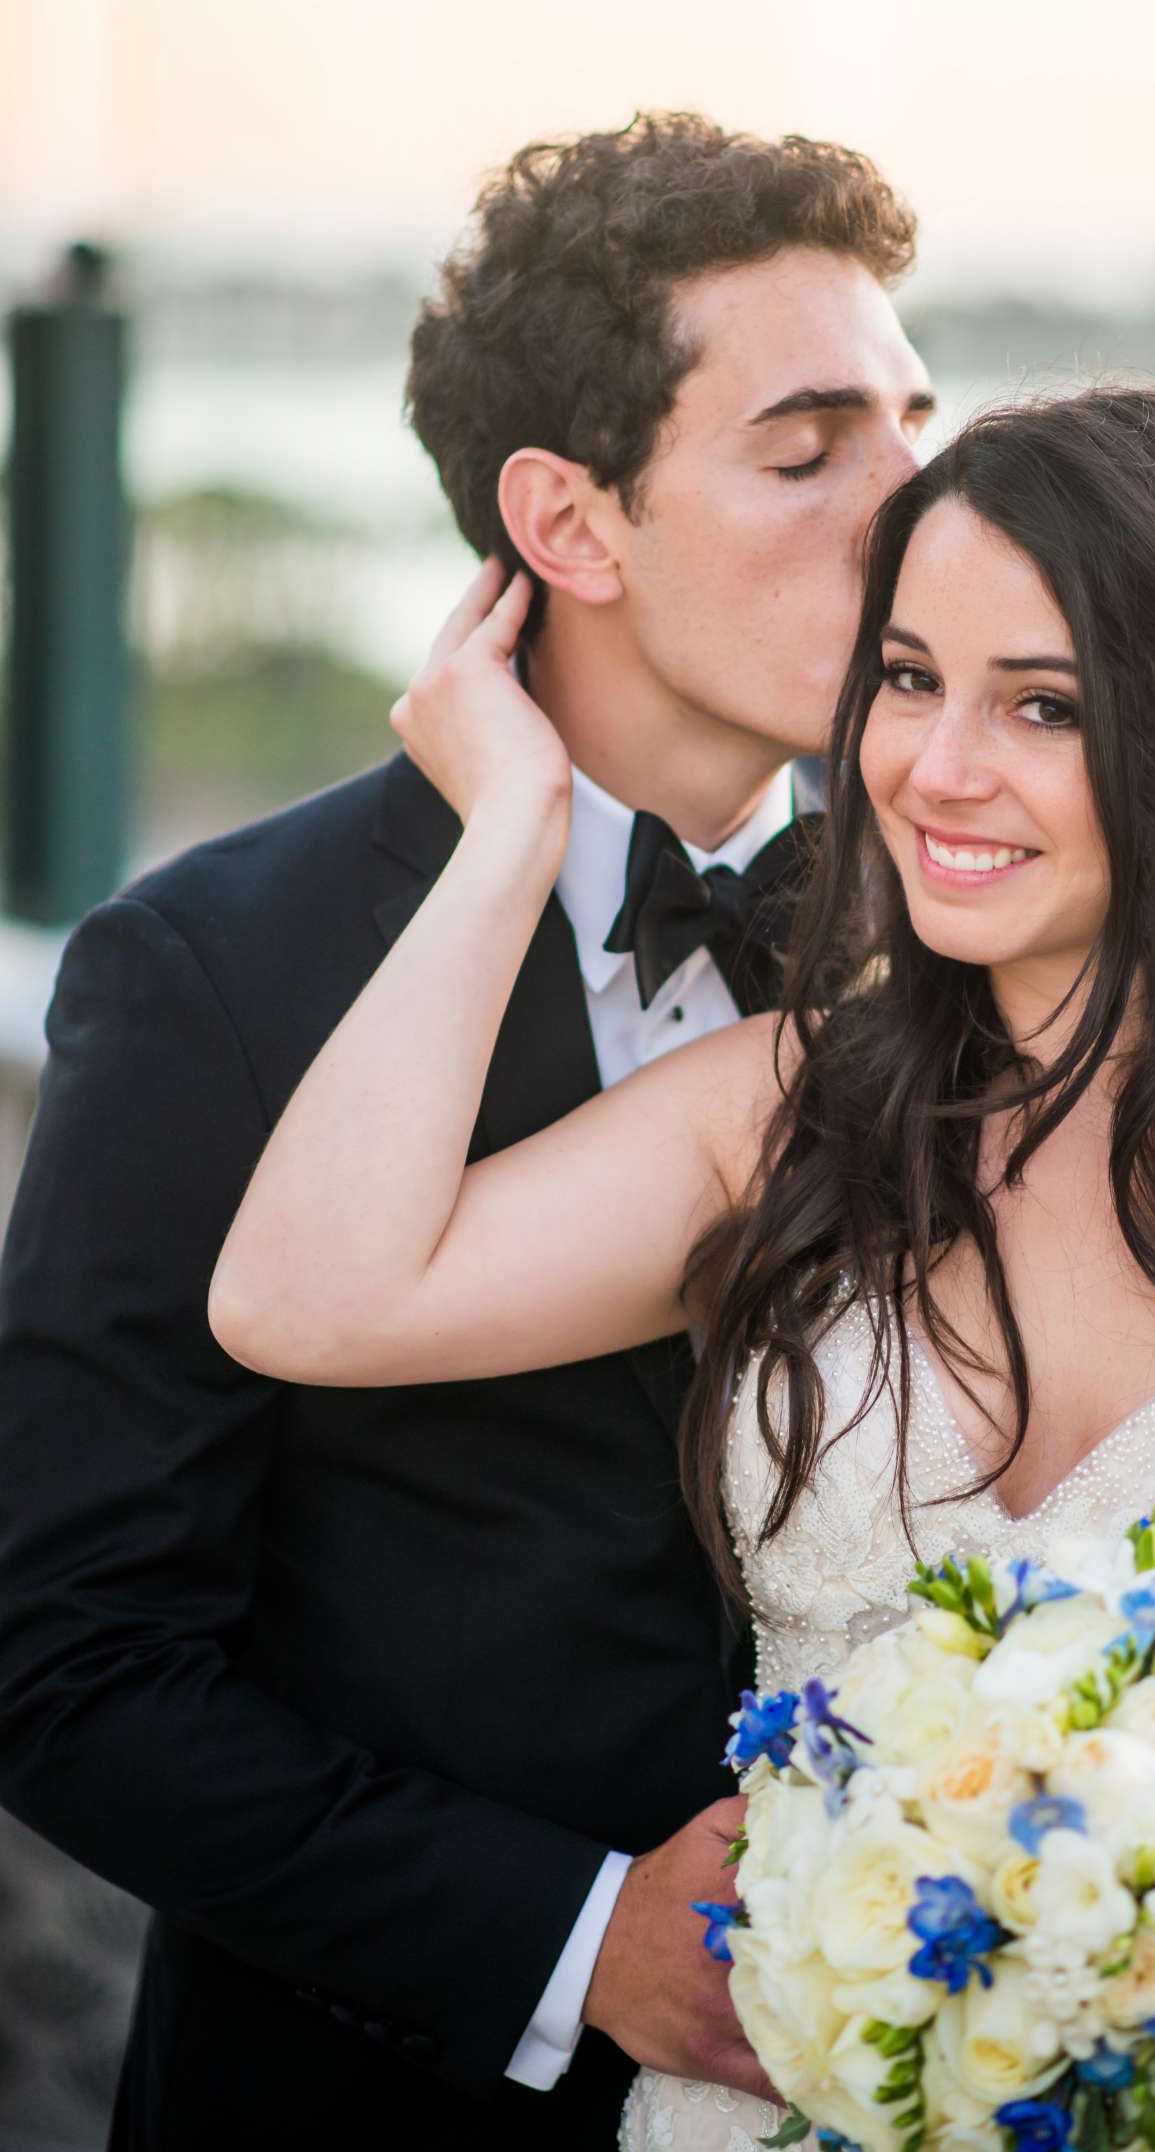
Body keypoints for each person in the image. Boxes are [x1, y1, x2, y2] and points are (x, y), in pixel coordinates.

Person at [210, 385, 1155, 2152]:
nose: (935, 767)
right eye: (909, 676)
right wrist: (508, 832)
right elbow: (306, 1302)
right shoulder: (786, 1117)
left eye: (1043, 706)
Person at [0, 113, 940, 2151]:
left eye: (914, 421)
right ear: (572, 524)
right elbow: (65, 1664)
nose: (915, 500)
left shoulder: (982, 930)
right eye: (810, 449)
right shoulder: (212, 969)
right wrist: (577, 1938)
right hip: (365, 2095)